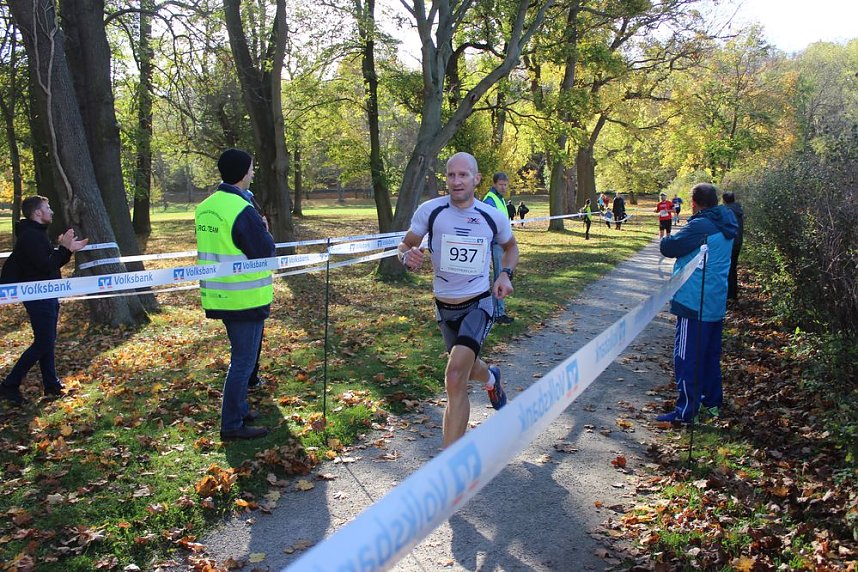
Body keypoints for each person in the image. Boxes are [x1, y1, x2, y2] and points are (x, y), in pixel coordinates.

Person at [398, 152, 519, 447]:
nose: (456, 181)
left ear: (476, 179)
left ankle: (449, 467)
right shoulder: (431, 211)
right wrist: (407, 256)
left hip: (478, 303)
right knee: (469, 366)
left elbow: (511, 247)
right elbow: (405, 245)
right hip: (444, 306)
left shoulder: (492, 216)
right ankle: (491, 378)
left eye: (463, 175)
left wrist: (505, 275)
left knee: (454, 377)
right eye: (451, 175)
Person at [196, 148, 275, 440]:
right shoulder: (241, 209)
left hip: (220, 295)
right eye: (252, 169)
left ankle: (240, 409)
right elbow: (264, 251)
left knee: (242, 358)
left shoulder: (205, 207)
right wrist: (264, 230)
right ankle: (231, 424)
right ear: (243, 173)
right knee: (243, 361)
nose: (253, 173)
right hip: (245, 298)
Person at [657, 183, 738, 423]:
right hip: (715, 301)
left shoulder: (701, 225)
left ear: (693, 202)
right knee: (709, 356)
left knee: (687, 357)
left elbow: (668, 247)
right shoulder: (728, 221)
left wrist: (670, 235)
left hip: (694, 302)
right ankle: (711, 403)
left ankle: (686, 412)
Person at [0, 196, 88, 405]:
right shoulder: (30, 236)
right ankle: (9, 385)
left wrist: (67, 250)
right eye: (48, 208)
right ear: (37, 213)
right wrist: (64, 248)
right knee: (44, 342)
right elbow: (44, 265)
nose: (52, 211)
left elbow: (51, 264)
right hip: (37, 297)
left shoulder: (37, 234)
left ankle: (52, 385)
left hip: (47, 294)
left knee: (47, 341)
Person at [482, 172, 514, 325]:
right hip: (495, 245)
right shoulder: (490, 200)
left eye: (505, 185)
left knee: (502, 277)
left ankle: (498, 311)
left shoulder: (499, 199)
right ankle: (497, 314)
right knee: (499, 278)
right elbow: (489, 225)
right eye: (501, 184)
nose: (503, 187)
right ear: (494, 184)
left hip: (502, 244)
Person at [722, 191, 744, 300]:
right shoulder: (739, 209)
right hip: (738, 241)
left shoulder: (726, 210)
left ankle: (728, 294)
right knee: (733, 267)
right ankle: (732, 293)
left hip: (729, 241)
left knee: (726, 267)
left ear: (724, 200)